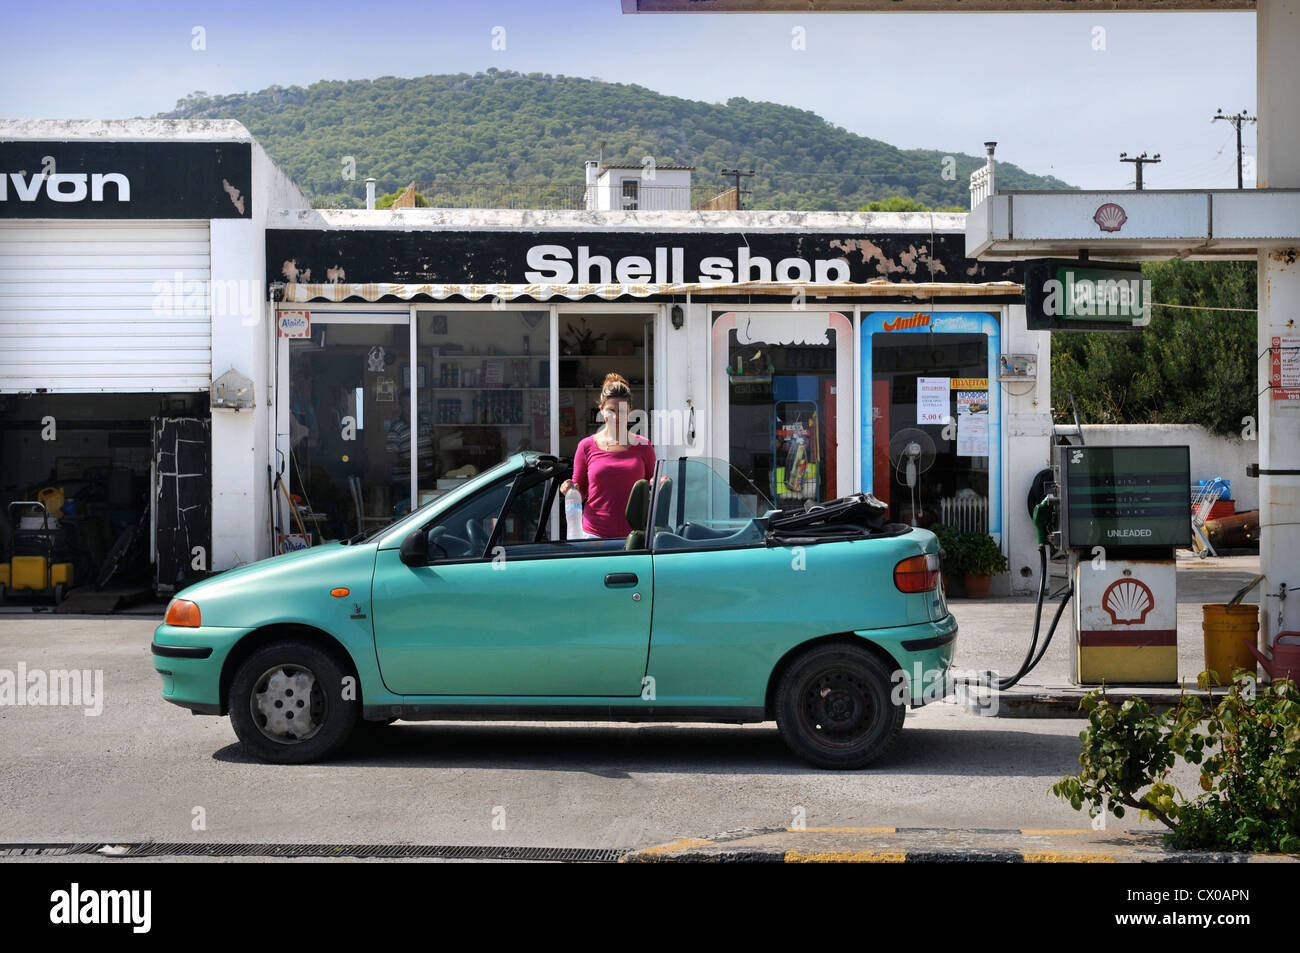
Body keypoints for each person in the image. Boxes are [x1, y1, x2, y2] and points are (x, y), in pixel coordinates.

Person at [559, 373, 655, 539]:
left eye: (622, 411)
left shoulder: (644, 446)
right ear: (602, 410)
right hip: (593, 536)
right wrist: (568, 488)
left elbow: (653, 486)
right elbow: (578, 490)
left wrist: (660, 482)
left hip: (634, 537)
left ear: (630, 411)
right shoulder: (586, 446)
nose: (617, 416)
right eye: (611, 410)